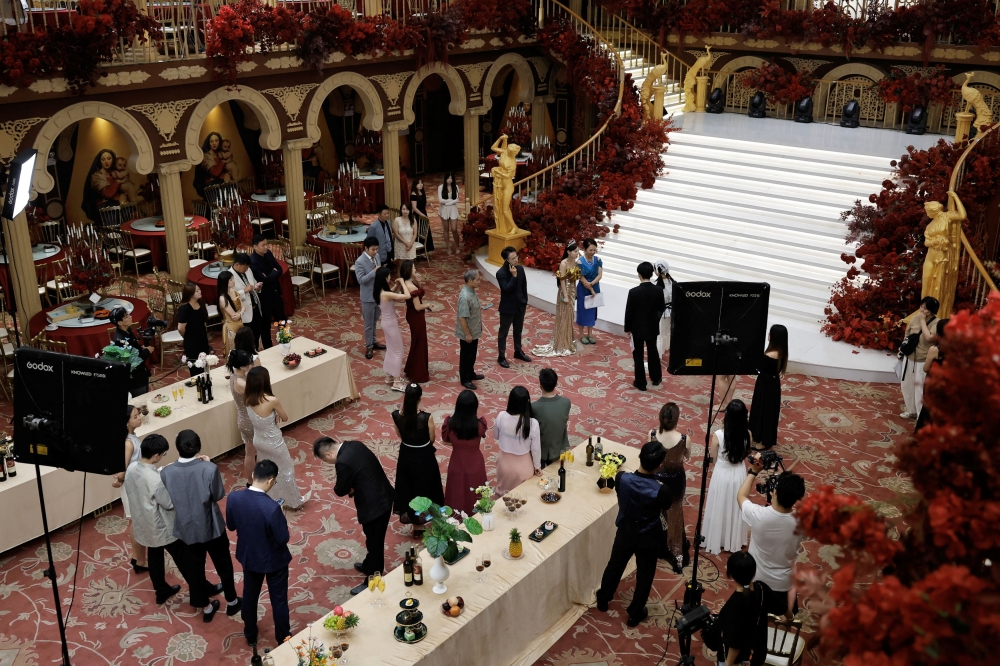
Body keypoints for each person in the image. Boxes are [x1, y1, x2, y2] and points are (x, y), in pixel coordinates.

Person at [595, 441, 685, 627]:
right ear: (660, 465)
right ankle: (635, 613)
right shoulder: (662, 490)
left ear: (639, 457)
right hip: (649, 535)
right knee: (645, 574)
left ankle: (603, 599)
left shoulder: (621, 478)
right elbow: (666, 507)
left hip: (626, 530)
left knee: (615, 564)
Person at [159, 430, 241, 622]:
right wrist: (207, 463)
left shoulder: (167, 472)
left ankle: (204, 606)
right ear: (198, 447)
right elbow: (218, 494)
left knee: (194, 568)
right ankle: (232, 601)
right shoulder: (209, 468)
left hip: (186, 527)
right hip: (210, 524)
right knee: (223, 564)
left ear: (177, 448)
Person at [313, 437, 396, 595]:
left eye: (325, 460)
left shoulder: (342, 462)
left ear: (329, 454)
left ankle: (372, 580)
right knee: (372, 539)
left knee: (375, 544)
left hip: (375, 507)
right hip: (383, 495)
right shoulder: (355, 444)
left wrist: (350, 487)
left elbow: (340, 489)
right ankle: (368, 565)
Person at [225, 460, 292, 646]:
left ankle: (250, 633)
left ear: (253, 475)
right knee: (278, 601)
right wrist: (282, 517)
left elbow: (230, 526)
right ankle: (283, 638)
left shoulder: (233, 498)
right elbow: (282, 538)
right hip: (274, 560)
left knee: (249, 595)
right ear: (271, 481)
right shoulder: (271, 508)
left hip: (249, 556)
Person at [123, 434, 194, 605]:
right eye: (162, 454)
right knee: (183, 558)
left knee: (155, 556)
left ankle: (161, 590)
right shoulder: (156, 480)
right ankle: (199, 587)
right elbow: (168, 503)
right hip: (161, 526)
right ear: (156, 456)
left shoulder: (132, 467)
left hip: (143, 522)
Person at [739, 462, 805, 618]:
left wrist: (753, 472)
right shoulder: (802, 523)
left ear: (774, 491)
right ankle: (787, 616)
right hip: (784, 584)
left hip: (757, 581)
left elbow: (741, 496)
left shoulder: (758, 515)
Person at [245, 366, 310, 508]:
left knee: (266, 471)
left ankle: (270, 498)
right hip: (273, 441)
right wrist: (275, 414)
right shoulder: (272, 400)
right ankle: (294, 502)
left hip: (259, 440)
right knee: (286, 469)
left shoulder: (248, 399)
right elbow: (285, 417)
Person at [702, 399, 751, 555]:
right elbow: (746, 454)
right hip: (739, 473)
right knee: (735, 505)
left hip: (722, 473)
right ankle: (733, 538)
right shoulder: (748, 435)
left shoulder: (718, 435)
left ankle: (717, 538)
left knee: (719, 503)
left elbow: (713, 458)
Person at [391, 383, 444, 525]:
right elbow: (432, 439)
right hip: (424, 455)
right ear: (420, 398)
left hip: (406, 454)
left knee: (407, 484)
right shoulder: (427, 417)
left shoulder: (396, 415)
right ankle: (428, 513)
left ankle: (411, 514)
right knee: (427, 483)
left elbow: (399, 435)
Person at [650, 402, 690, 574]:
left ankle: (658, 544)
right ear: (677, 420)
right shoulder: (684, 439)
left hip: (657, 480)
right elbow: (687, 456)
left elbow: (650, 456)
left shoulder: (652, 434)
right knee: (675, 513)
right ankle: (677, 552)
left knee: (657, 513)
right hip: (676, 481)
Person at [716, 551, 772, 666]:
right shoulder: (761, 588)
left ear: (730, 574)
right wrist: (790, 617)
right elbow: (782, 607)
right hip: (757, 652)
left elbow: (734, 644)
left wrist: (728, 664)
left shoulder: (734, 605)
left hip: (738, 659)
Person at [111, 405, 147, 573]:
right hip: (132, 486)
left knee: (137, 522)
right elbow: (120, 470)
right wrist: (119, 479)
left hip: (135, 484)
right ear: (126, 423)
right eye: (135, 416)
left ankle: (138, 558)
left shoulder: (131, 437)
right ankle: (140, 560)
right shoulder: (128, 442)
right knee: (137, 523)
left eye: (138, 414)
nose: (139, 417)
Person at [441, 390, 488, 515]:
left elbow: (446, 441)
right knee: (475, 493)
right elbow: (482, 435)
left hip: (457, 462)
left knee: (456, 493)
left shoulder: (450, 424)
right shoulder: (480, 425)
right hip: (475, 463)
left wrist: (458, 444)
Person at [624, 261, 666, 391]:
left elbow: (629, 312)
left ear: (639, 275)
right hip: (652, 326)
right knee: (653, 351)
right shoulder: (658, 290)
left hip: (637, 328)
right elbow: (661, 308)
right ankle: (656, 377)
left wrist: (627, 329)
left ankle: (641, 382)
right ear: (652, 274)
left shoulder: (633, 292)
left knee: (638, 354)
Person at [533, 240, 580, 357]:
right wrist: (565, 296)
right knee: (564, 316)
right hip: (565, 292)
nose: (577, 253)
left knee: (570, 316)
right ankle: (561, 343)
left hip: (572, 290)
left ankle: (568, 341)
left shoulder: (575, 262)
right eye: (575, 251)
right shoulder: (563, 264)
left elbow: (574, 280)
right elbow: (562, 280)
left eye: (578, 251)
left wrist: (575, 292)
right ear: (568, 252)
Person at [494, 386, 542, 495]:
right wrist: (537, 466)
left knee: (502, 496)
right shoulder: (532, 423)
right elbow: (536, 449)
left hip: (503, 464)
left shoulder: (501, 416)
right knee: (523, 498)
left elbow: (496, 436)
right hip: (524, 467)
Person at [748, 324, 788, 449]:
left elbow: (758, 365)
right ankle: (760, 436)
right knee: (763, 410)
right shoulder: (780, 351)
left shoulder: (772, 355)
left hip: (767, 386)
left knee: (765, 411)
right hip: (769, 384)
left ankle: (764, 441)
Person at [900, 296, 939, 419]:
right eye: (922, 307)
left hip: (922, 359)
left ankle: (920, 416)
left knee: (919, 388)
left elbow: (929, 338)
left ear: (932, 311)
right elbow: (907, 334)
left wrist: (923, 321)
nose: (922, 311)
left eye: (926, 309)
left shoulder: (936, 322)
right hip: (909, 356)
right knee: (906, 385)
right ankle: (911, 410)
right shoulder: (914, 318)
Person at [374, 266, 411, 392]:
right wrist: (402, 282)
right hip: (391, 324)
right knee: (399, 351)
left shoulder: (380, 291)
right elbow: (406, 296)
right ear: (385, 278)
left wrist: (397, 286)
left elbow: (392, 294)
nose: (390, 277)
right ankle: (396, 381)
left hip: (386, 322)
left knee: (391, 349)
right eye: (389, 275)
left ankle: (389, 376)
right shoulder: (386, 293)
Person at [496, 246, 531, 368]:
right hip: (507, 307)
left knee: (518, 330)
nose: (516, 259)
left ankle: (518, 351)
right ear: (506, 260)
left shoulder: (520, 269)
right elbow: (506, 289)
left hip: (520, 305)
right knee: (503, 333)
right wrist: (513, 276)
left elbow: (524, 287)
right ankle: (501, 356)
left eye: (517, 256)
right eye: (513, 258)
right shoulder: (500, 273)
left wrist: (524, 301)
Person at [249, 234, 285, 348]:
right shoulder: (253, 261)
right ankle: (268, 348)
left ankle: (285, 342)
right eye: (263, 245)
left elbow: (279, 269)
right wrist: (273, 273)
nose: (266, 247)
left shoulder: (268, 253)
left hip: (275, 293)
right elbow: (263, 280)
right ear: (255, 247)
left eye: (266, 244)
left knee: (282, 321)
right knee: (265, 326)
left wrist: (271, 274)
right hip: (264, 298)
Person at [227, 350, 257, 486]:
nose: (251, 365)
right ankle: (252, 482)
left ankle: (252, 482)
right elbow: (256, 400)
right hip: (249, 420)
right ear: (243, 366)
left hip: (243, 418)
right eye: (249, 364)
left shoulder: (234, 377)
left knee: (250, 452)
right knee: (252, 453)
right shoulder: (241, 383)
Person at [532, 368, 571, 468]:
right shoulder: (566, 403)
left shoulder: (534, 407)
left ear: (540, 385)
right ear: (556, 383)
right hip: (560, 450)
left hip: (541, 453)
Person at [400, 260, 432, 383]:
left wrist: (418, 282)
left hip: (411, 315)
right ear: (409, 270)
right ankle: (418, 373)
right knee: (419, 343)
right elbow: (418, 306)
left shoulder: (408, 283)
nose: (415, 270)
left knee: (417, 342)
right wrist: (428, 304)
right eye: (414, 268)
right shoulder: (411, 287)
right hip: (416, 316)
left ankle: (412, 368)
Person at [110, 306, 153, 396]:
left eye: (128, 314)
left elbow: (134, 347)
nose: (130, 317)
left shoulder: (127, 330)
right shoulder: (121, 340)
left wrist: (141, 348)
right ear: (120, 322)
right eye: (126, 316)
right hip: (134, 378)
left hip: (140, 372)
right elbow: (133, 362)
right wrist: (147, 352)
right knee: (140, 400)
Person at [916, 318, 948, 431]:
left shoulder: (935, 349)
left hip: (932, 381)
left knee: (928, 409)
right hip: (947, 382)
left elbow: (925, 368)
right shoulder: (956, 350)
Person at [456, 269, 486, 390]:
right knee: (466, 356)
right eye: (477, 279)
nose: (480, 281)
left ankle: (471, 373)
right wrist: (467, 334)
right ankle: (465, 378)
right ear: (470, 281)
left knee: (472, 354)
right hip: (468, 333)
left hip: (474, 330)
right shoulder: (465, 296)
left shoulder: (471, 290)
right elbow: (462, 317)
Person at [356, 237, 384, 359]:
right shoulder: (360, 261)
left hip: (378, 295)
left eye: (377, 249)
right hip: (368, 297)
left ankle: (373, 341)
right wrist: (373, 272)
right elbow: (360, 280)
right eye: (373, 249)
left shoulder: (377, 257)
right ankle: (369, 346)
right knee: (368, 324)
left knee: (375, 320)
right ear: (366, 248)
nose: (375, 252)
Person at [175, 282, 210, 375]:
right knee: (196, 368)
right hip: (191, 341)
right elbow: (181, 328)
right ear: (190, 294)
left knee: (205, 365)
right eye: (197, 291)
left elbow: (204, 320)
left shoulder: (201, 302)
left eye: (199, 289)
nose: (200, 292)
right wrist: (187, 337)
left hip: (202, 337)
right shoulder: (184, 308)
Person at [232, 252, 264, 350]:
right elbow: (231, 296)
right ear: (237, 264)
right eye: (244, 267)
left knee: (257, 333)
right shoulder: (230, 276)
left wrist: (257, 286)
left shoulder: (248, 270)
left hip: (256, 307)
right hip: (244, 312)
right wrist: (244, 291)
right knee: (246, 338)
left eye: (247, 267)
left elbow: (253, 282)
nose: (246, 269)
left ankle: (256, 351)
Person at [576, 239, 603, 345]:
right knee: (582, 310)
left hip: (595, 287)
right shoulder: (580, 261)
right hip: (583, 288)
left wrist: (592, 285)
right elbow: (580, 276)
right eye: (590, 250)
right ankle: (582, 334)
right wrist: (589, 286)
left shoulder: (598, 260)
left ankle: (590, 334)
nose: (593, 252)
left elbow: (600, 275)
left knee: (592, 310)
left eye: (594, 250)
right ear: (584, 249)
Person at [216, 270, 245, 359]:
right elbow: (234, 317)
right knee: (234, 352)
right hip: (231, 328)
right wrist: (241, 312)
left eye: (233, 279)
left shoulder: (234, 291)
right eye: (231, 279)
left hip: (240, 324)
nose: (233, 281)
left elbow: (243, 307)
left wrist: (240, 313)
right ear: (225, 282)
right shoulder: (222, 298)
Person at [654, 260, 674, 358]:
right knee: (667, 331)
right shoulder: (672, 282)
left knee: (659, 334)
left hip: (661, 312)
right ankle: (665, 349)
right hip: (671, 312)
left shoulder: (656, 285)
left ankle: (657, 355)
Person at [437, 172, 461, 254]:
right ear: (445, 178)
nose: (450, 180)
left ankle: (457, 246)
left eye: (451, 178)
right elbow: (440, 200)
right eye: (448, 178)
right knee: (446, 229)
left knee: (454, 229)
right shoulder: (441, 187)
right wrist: (451, 201)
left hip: (453, 209)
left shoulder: (456, 187)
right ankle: (448, 248)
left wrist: (447, 203)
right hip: (444, 209)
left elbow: (457, 199)